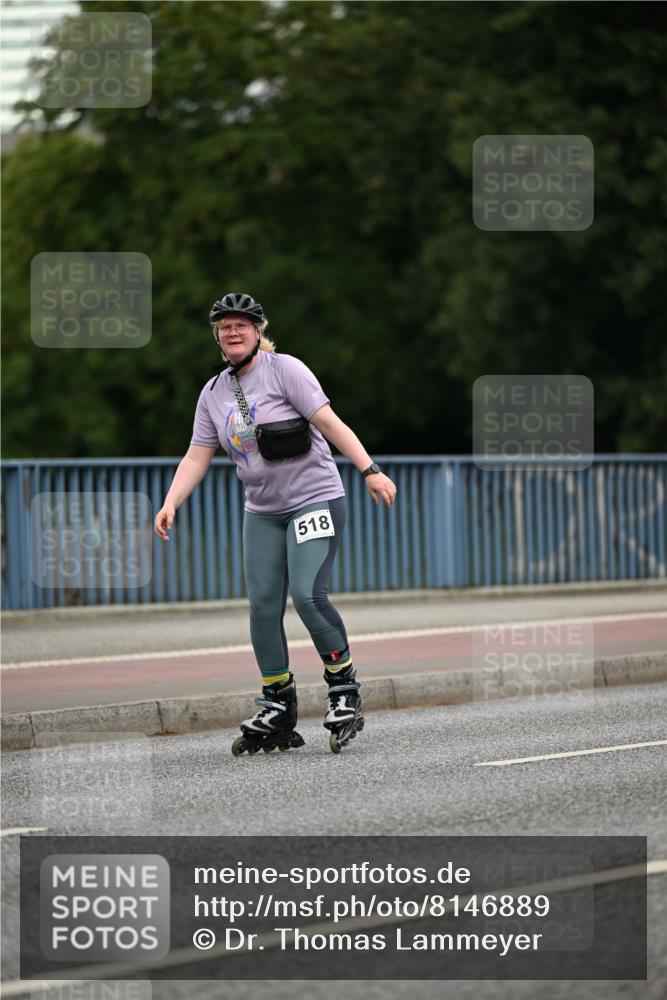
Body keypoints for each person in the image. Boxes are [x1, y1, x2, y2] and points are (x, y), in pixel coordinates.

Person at [154, 292, 397, 755]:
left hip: (315, 499)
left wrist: (370, 470)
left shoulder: (285, 369)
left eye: (241, 324)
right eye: (224, 326)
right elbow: (196, 456)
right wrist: (170, 502)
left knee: (307, 594)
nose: (233, 331)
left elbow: (329, 422)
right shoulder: (212, 394)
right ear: (217, 338)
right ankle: (278, 703)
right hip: (262, 511)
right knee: (263, 608)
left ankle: (344, 688)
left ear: (258, 330)